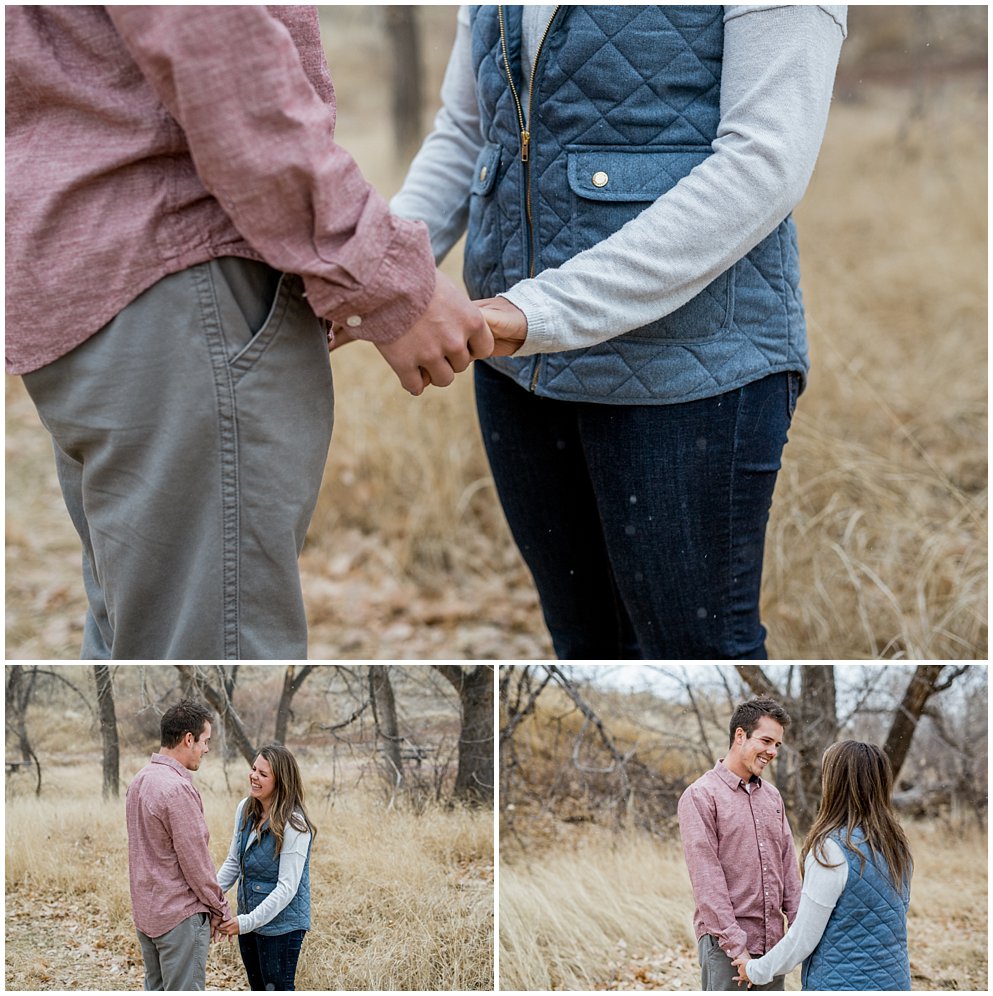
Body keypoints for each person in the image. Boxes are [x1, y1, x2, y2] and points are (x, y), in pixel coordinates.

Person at [4, 6, 494, 660]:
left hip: (101, 279)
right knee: (211, 653)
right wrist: (387, 278)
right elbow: (221, 57)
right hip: (181, 280)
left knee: (148, 638)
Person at [386, 6, 848, 658]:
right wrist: (378, 276)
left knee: (696, 651)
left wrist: (536, 313)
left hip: (687, 370)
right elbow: (466, 132)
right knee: (583, 645)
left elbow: (763, 159)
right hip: (514, 366)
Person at [733, 741, 913, 991]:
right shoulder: (895, 845)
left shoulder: (832, 850)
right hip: (895, 983)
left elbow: (803, 939)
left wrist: (755, 970)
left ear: (836, 784)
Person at [678, 698, 800, 991]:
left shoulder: (772, 797)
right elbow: (708, 882)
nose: (772, 752)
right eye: (766, 741)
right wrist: (738, 950)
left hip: (774, 946)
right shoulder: (701, 796)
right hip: (726, 950)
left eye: (777, 745)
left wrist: (798, 930)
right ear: (740, 735)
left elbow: (788, 867)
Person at [126, 700, 233, 991]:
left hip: (147, 915)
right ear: (189, 739)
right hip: (178, 918)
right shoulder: (177, 789)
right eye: (205, 741)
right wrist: (221, 909)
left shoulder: (139, 781)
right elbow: (196, 863)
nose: (207, 749)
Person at [216, 743, 316, 991]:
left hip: (282, 927)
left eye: (263, 774)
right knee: (258, 988)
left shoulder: (295, 825)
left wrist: (245, 922)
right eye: (253, 769)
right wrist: (210, 898)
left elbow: (287, 888)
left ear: (280, 781)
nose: (254, 777)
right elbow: (233, 863)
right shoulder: (245, 808)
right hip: (249, 918)